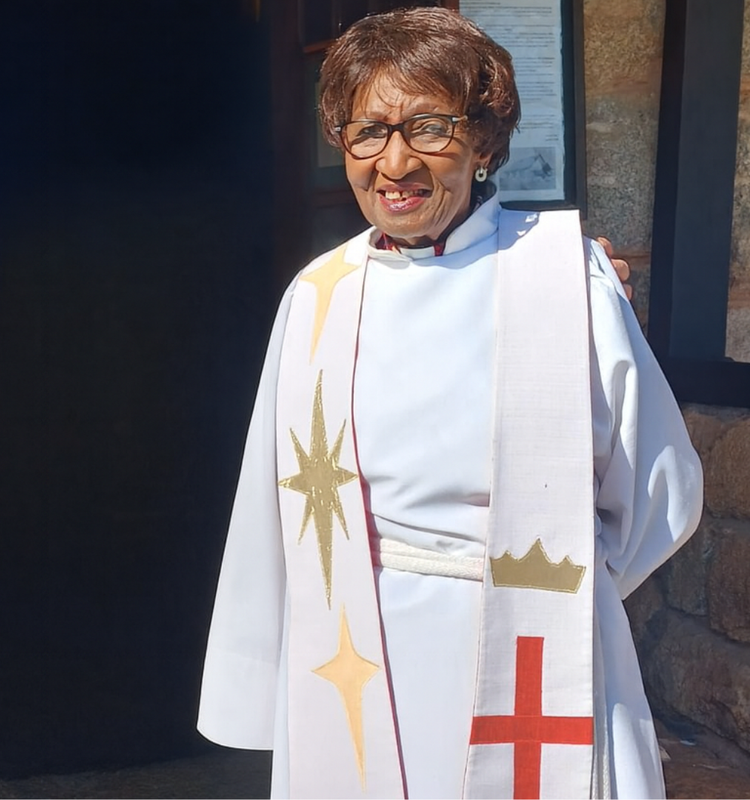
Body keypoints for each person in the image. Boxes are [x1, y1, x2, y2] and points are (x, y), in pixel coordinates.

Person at [197, 7, 702, 799]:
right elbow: (272, 505)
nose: (394, 162)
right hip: (358, 653)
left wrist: (559, 593)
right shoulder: (318, 299)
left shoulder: (564, 279)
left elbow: (658, 492)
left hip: (530, 647)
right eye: (368, 131)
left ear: (484, 141)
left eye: (429, 126)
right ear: (343, 144)